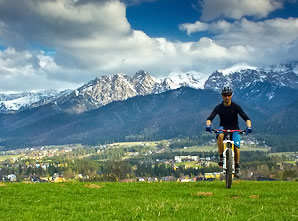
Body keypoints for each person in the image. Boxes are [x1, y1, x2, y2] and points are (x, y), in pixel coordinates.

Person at [205, 86, 252, 178]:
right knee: (220, 135)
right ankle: (221, 156)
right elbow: (210, 118)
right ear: (222, 96)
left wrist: (249, 127)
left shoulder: (236, 107)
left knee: (237, 147)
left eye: (229, 95)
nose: (227, 97)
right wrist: (208, 125)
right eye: (225, 95)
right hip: (223, 127)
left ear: (231, 96)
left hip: (235, 128)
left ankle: (237, 165)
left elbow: (246, 118)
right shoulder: (219, 107)